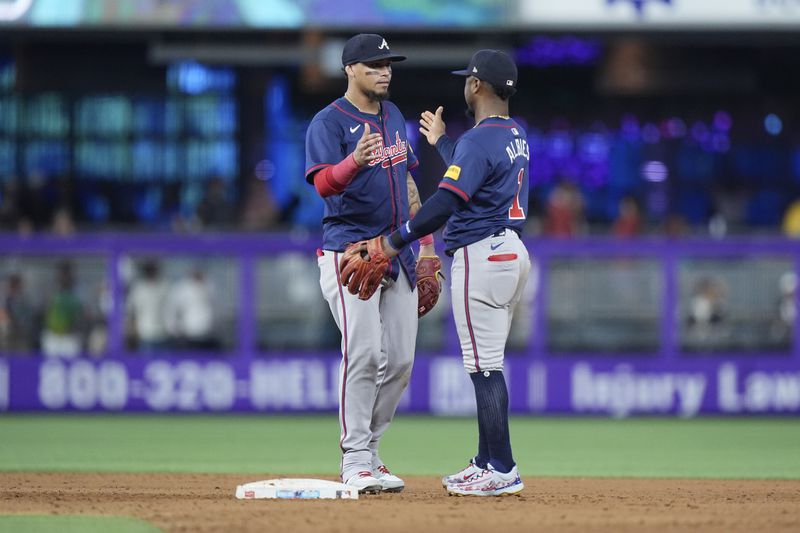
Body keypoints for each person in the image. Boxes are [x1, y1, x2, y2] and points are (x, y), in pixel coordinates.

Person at [344, 49, 530, 496]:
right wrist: (443, 143)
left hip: (481, 256)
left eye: (468, 78)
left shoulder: (478, 141)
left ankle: (501, 467)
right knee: (490, 363)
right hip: (512, 253)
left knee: (484, 368)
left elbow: (446, 201)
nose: (465, 84)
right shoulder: (514, 133)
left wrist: (393, 242)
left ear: (476, 86)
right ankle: (487, 460)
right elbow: (474, 169)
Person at [304, 33, 439, 494]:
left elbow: (410, 186)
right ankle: (354, 457)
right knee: (364, 352)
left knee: (400, 360)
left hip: (397, 253)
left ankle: (372, 453)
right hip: (349, 253)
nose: (385, 71)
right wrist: (352, 163)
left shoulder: (394, 114)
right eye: (374, 64)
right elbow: (322, 184)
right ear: (350, 69)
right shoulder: (329, 121)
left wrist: (427, 249)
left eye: (388, 64)